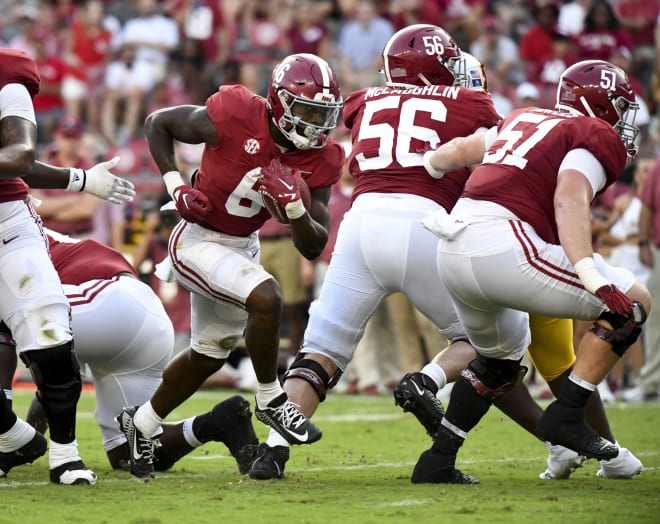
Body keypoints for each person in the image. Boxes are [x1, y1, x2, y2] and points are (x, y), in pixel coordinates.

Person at [248, 24, 501, 480]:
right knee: (482, 341)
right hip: (423, 222)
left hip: (361, 224)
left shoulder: (366, 100)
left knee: (322, 348)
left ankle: (272, 451)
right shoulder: (469, 102)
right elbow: (500, 152)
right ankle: (427, 381)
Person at [394, 51, 644, 481]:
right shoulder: (588, 132)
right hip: (506, 246)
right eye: (619, 109)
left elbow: (459, 150)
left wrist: (432, 164)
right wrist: (589, 272)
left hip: (454, 247)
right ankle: (565, 420)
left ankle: (438, 460)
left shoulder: (522, 118)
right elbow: (569, 198)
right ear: (600, 106)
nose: (622, 122)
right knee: (633, 301)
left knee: (497, 363)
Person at [115, 52, 344, 480]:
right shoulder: (238, 112)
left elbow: (314, 244)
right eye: (308, 110)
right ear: (278, 102)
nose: (316, 123)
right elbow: (158, 123)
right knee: (267, 296)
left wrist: (295, 208)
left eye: (323, 113)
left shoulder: (321, 158)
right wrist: (176, 185)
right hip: (197, 237)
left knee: (208, 354)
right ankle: (271, 398)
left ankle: (141, 424)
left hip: (242, 246)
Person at [0, 229, 258, 476]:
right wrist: (31, 435)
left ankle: (7, 436)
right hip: (137, 314)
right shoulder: (26, 228)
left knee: (13, 311)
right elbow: (58, 373)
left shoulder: (13, 232)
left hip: (108, 300)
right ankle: (217, 423)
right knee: (131, 449)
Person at [0, 48, 135, 484]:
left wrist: (79, 180)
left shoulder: (7, 76)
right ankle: (13, 437)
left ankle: (65, 455)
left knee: (50, 335)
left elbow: (19, 155)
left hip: (7, 228)